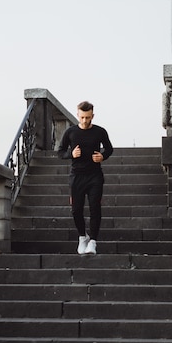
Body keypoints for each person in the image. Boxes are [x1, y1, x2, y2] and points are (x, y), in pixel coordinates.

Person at [58, 101, 114, 255]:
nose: (84, 120)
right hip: (77, 176)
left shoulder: (100, 131)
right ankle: (83, 237)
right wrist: (71, 154)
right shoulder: (70, 132)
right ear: (78, 115)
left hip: (95, 175)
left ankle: (93, 242)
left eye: (88, 117)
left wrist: (102, 156)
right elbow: (60, 151)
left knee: (95, 207)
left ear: (92, 116)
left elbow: (109, 148)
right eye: (82, 117)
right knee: (76, 210)